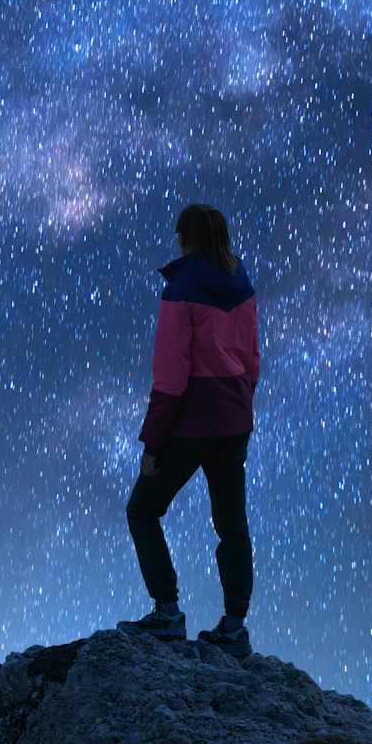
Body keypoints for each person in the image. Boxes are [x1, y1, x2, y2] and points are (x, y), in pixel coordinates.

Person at [117, 203, 259, 657]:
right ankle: (234, 628)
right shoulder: (242, 284)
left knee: (142, 510)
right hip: (234, 418)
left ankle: (167, 613)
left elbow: (171, 375)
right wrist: (240, 401)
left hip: (192, 420)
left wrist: (153, 441)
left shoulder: (181, 289)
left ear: (186, 237)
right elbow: (252, 359)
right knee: (232, 524)